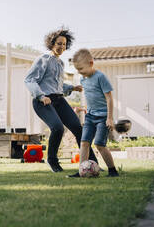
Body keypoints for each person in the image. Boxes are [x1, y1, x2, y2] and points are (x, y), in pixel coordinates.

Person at [24, 28, 99, 173]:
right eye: (59, 43)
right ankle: (52, 161)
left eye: (64, 44)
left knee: (78, 128)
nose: (62, 47)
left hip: (58, 100)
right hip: (43, 101)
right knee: (57, 128)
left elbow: (56, 86)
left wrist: (72, 87)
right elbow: (30, 79)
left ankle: (91, 163)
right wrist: (41, 96)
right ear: (52, 43)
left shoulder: (60, 63)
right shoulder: (43, 59)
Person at [72, 48, 119, 177]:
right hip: (90, 116)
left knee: (99, 144)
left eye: (81, 69)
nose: (79, 72)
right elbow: (89, 96)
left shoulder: (100, 77)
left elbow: (109, 98)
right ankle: (82, 170)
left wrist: (109, 118)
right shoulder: (83, 80)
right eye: (77, 69)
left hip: (103, 117)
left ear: (91, 63)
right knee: (84, 142)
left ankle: (112, 170)